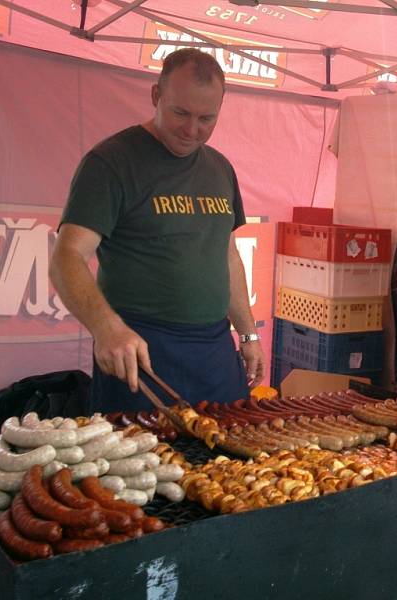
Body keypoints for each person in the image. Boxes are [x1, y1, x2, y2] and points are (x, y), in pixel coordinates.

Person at [49, 48, 265, 414]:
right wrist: (107, 328)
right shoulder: (111, 162)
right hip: (140, 350)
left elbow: (226, 257)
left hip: (214, 349)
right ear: (156, 96)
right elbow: (66, 257)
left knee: (231, 465)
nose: (191, 129)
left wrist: (248, 334)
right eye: (180, 113)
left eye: (206, 118)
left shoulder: (220, 169)